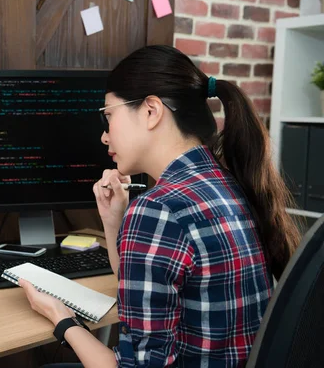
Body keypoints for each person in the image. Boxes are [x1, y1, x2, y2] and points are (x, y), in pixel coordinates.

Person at [19, 45, 301, 367]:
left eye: (108, 115)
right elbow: (144, 285)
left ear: (151, 111)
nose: (104, 136)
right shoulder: (227, 181)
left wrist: (62, 318)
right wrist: (115, 221)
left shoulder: (160, 209)